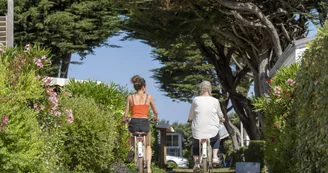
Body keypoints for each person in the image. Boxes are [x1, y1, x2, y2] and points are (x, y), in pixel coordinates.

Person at [122, 75, 159, 173]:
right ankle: (149, 167)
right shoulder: (149, 97)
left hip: (134, 122)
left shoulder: (130, 97)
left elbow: (126, 114)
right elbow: (155, 111)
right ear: (143, 86)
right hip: (144, 122)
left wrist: (124, 119)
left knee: (131, 131)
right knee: (147, 145)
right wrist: (156, 117)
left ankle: (131, 147)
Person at [187, 81, 225, 172]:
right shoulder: (215, 101)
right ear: (210, 89)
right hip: (212, 129)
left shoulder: (195, 100)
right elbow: (220, 114)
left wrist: (190, 120)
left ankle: (196, 163)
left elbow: (191, 114)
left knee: (195, 142)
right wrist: (222, 119)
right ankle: (215, 157)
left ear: (200, 89)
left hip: (198, 129)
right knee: (216, 139)